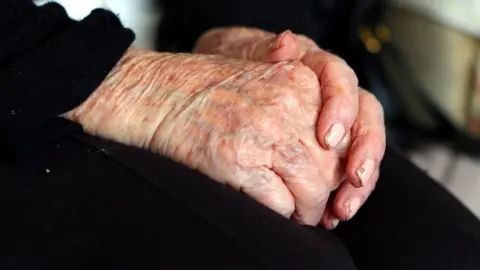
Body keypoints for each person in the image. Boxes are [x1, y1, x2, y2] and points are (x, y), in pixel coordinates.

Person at [1, 1, 480, 269]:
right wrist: (131, 84)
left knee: (450, 253)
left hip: (160, 50)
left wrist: (245, 33)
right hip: (27, 78)